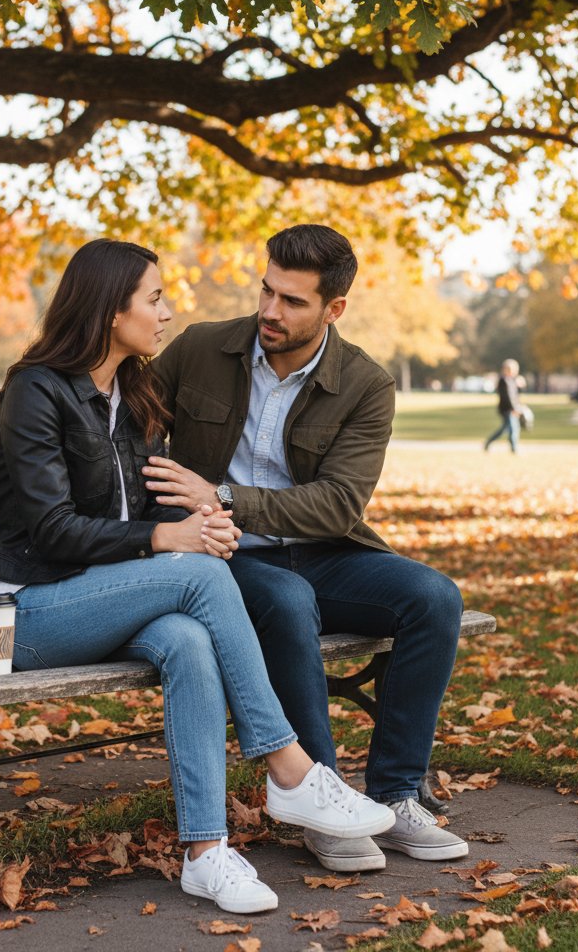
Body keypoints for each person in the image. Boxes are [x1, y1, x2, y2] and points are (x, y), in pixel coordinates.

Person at [0, 238, 395, 913]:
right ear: (113, 310)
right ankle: (289, 767)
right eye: (154, 299)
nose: (167, 313)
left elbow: (150, 495)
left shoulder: (134, 393)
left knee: (190, 641)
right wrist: (168, 537)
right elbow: (51, 529)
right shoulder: (39, 390)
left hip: (107, 600)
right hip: (20, 618)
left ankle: (206, 854)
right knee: (196, 577)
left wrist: (208, 523)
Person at [142, 225, 470, 873]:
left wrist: (224, 495)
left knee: (434, 598)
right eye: (266, 291)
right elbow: (119, 403)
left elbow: (338, 503)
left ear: (334, 309)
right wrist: (18, 411)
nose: (270, 310)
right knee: (287, 600)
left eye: (293, 301)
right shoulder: (204, 347)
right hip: (224, 555)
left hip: (323, 549)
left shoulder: (366, 384)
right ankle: (322, 799)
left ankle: (396, 794)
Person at [483, 359, 523, 453]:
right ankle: (514, 448)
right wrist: (513, 408)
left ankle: (489, 442)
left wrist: (520, 387)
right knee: (513, 428)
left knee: (505, 429)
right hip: (507, 409)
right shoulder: (503, 380)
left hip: (511, 408)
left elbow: (515, 395)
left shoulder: (511, 380)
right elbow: (507, 397)